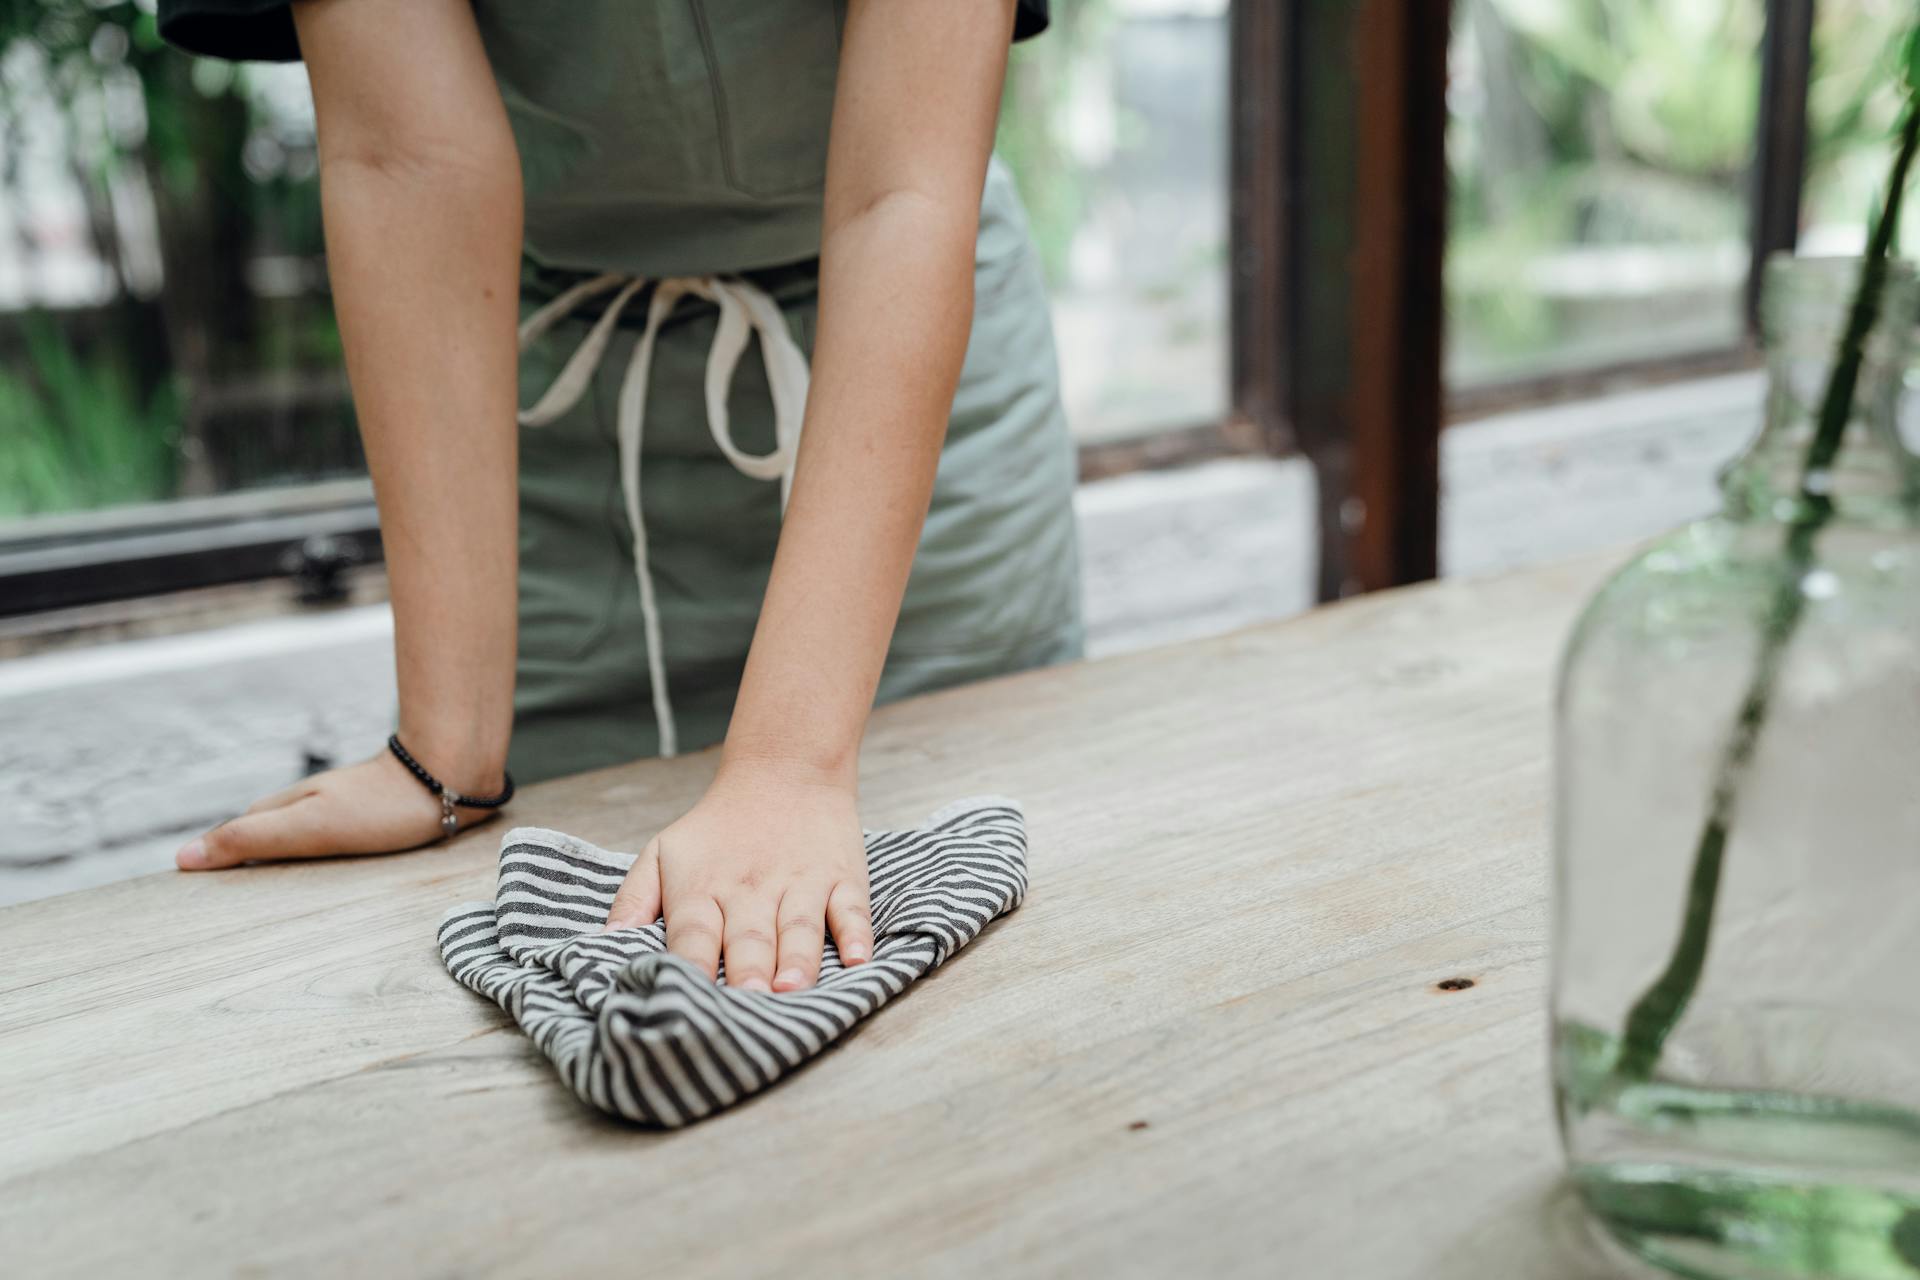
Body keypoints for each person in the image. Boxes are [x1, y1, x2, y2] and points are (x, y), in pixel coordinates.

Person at [156, 0, 1083, 996]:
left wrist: (790, 767)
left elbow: (900, 194)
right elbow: (408, 162)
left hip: (905, 412)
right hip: (547, 431)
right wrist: (446, 754)